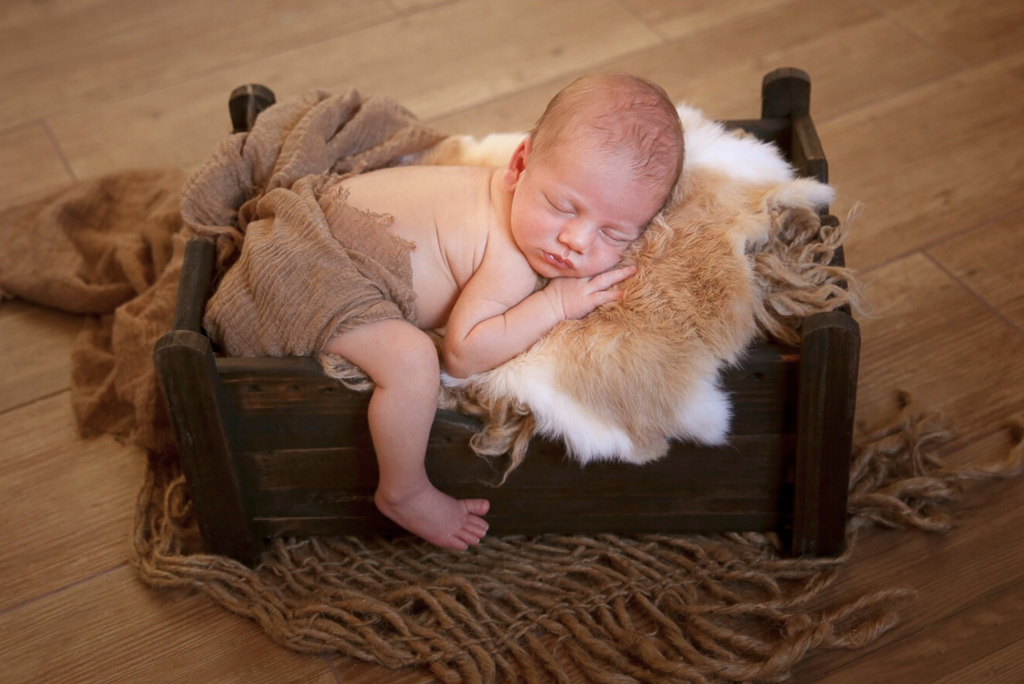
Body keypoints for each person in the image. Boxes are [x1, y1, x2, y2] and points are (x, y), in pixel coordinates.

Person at [319, 72, 684, 550]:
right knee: (411, 360)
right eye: (563, 206)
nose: (575, 242)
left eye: (614, 235)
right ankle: (403, 491)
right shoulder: (509, 258)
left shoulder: (497, 193)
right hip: (312, 273)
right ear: (519, 165)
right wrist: (554, 302)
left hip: (324, 227)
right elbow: (463, 354)